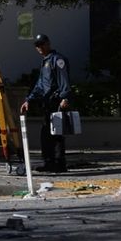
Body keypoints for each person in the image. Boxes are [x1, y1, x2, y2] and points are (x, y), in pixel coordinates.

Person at [20, 33, 71, 173]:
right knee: (46, 134)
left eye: (42, 44)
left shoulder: (57, 60)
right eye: (37, 45)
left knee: (57, 134)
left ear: (48, 43)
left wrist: (65, 98)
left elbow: (63, 80)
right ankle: (49, 162)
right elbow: (40, 84)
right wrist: (29, 99)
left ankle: (59, 163)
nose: (39, 48)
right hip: (47, 103)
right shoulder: (45, 61)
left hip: (56, 102)